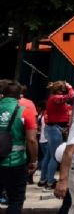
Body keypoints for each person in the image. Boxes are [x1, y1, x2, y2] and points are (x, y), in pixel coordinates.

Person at [0, 81, 39, 214]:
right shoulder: (25, 112)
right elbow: (31, 140)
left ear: (2, 94)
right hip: (15, 163)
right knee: (16, 200)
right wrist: (34, 160)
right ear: (19, 97)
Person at [42, 81, 74, 189]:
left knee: (49, 155)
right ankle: (50, 182)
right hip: (55, 129)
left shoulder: (53, 98)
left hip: (53, 128)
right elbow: (71, 95)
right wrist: (70, 87)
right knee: (55, 156)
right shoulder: (56, 98)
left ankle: (44, 179)